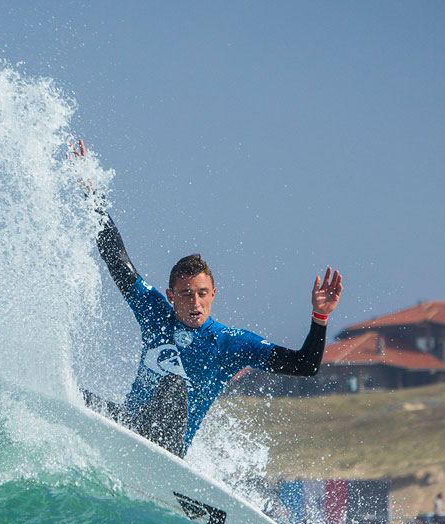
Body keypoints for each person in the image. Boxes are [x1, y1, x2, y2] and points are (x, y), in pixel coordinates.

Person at [81, 144, 343, 457]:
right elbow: (116, 260)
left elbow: (305, 366)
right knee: (76, 397)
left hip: (166, 449)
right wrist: (92, 195)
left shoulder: (229, 343)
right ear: (171, 296)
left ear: (213, 294)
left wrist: (320, 317)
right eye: (186, 294)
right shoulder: (155, 312)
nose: (196, 302)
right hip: (129, 429)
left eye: (202, 294)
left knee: (174, 386)